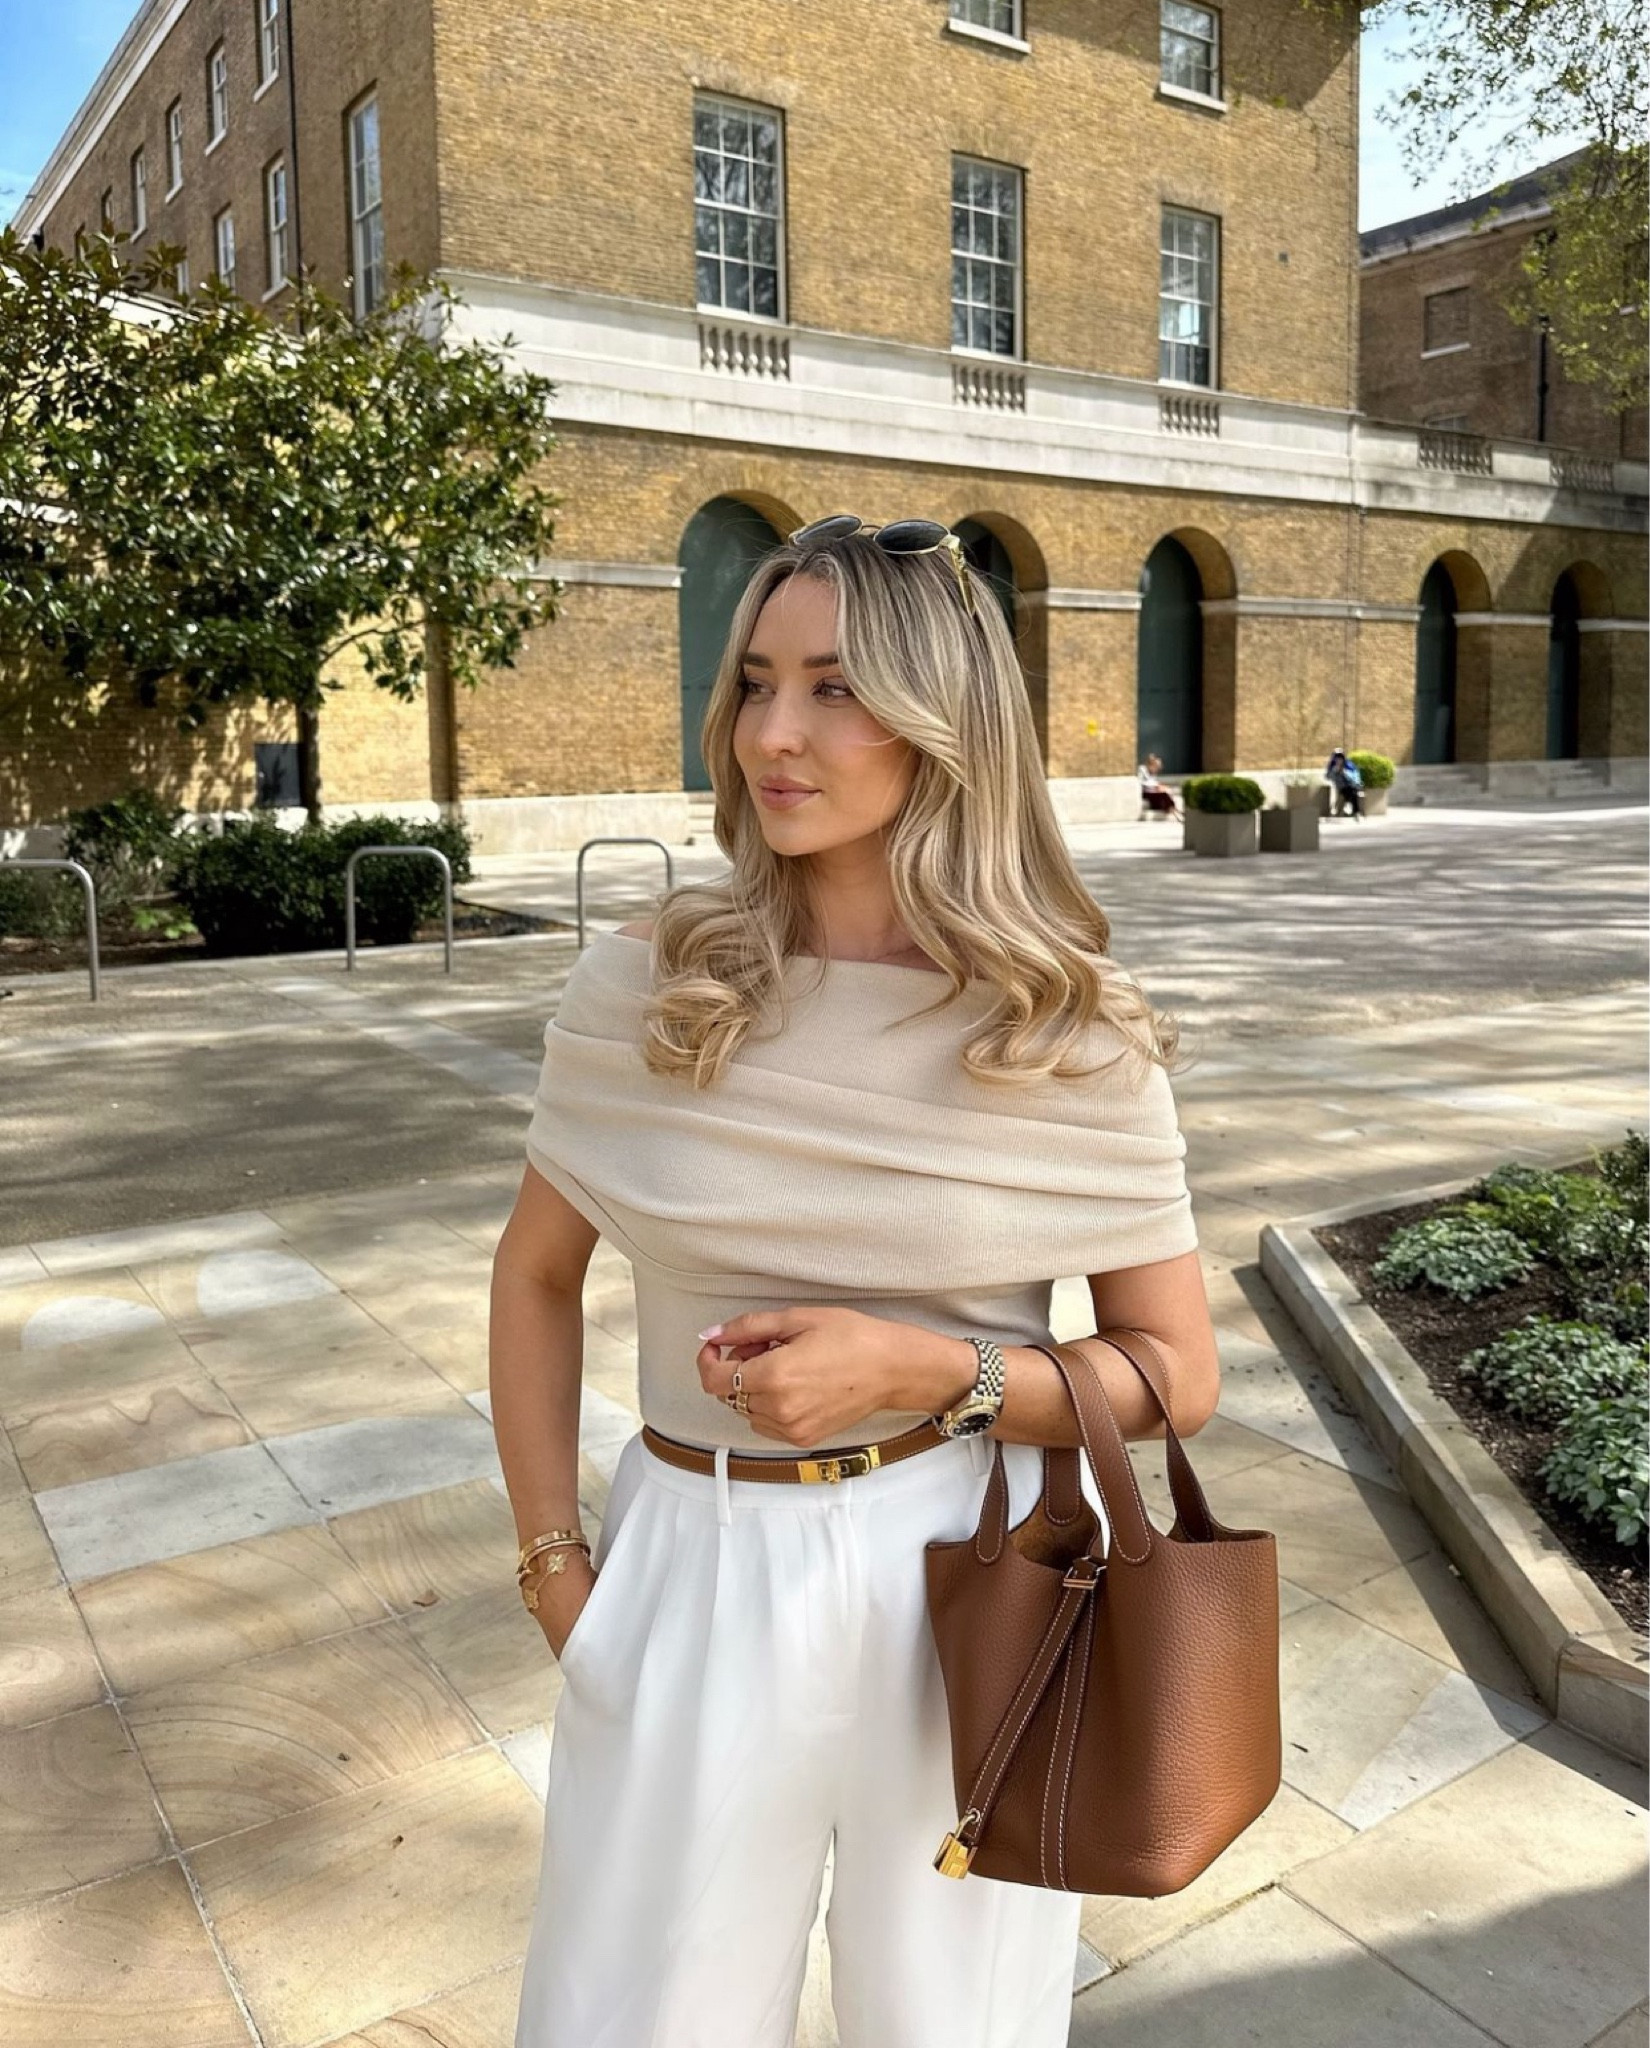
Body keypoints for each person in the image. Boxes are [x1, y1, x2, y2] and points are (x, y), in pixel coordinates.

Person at [493, 513, 1222, 2048]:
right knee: (630, 2020)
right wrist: (558, 1567)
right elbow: (536, 1274)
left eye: (832, 688)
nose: (772, 732)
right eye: (754, 681)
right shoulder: (650, 980)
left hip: (973, 1574)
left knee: (954, 2023)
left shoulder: (1064, 1027)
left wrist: (925, 1372)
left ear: (940, 721)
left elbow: (1174, 1372)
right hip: (689, 1555)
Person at [1137, 751, 1181, 819]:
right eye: (1156, 767)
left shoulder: (1153, 773)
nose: (1156, 770)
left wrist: (1159, 786)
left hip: (1151, 790)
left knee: (1166, 793)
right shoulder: (1142, 770)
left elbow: (1154, 782)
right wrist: (1155, 786)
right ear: (1151, 765)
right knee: (1163, 794)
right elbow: (1141, 782)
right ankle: (1172, 809)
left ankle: (1172, 808)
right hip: (1145, 791)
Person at [1324, 747, 1365, 820]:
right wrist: (1335, 771)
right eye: (1337, 758)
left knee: (1353, 792)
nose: (1339, 760)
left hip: (1352, 786)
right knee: (1352, 793)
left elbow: (1355, 777)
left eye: (1340, 758)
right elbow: (1328, 776)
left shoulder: (1349, 766)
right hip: (1342, 788)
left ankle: (1351, 807)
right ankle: (1355, 811)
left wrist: (1345, 773)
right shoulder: (1333, 767)